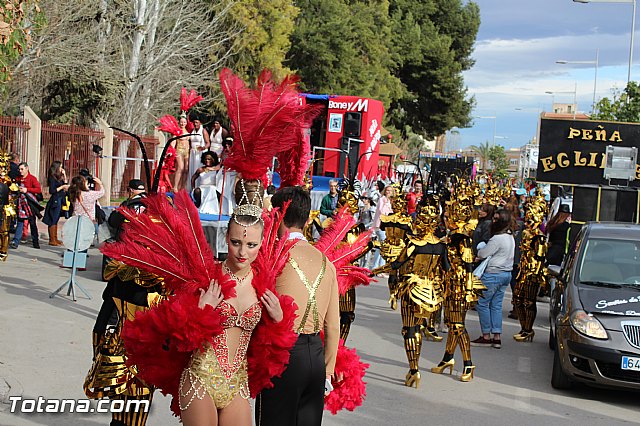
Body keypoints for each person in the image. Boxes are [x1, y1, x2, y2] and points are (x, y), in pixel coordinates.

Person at [256, 185, 340, 426]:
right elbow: (333, 326)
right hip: (315, 357)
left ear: (278, 215)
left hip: (282, 356)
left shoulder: (273, 255)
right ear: (305, 219)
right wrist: (328, 370)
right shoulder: (327, 263)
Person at [84, 178, 160, 426]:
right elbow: (105, 316)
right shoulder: (120, 271)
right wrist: (100, 346)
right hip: (119, 343)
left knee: (137, 408)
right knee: (120, 413)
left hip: (148, 349)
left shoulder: (163, 277)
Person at [471, 208, 515, 349]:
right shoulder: (510, 236)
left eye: (496, 219)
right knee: (496, 305)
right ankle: (496, 336)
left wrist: (479, 252)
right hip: (506, 274)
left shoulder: (497, 238)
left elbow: (483, 253)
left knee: (482, 303)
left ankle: (486, 336)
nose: (493, 221)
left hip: (493, 274)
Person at [10, 162, 42, 249]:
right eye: (19, 169)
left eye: (22, 169)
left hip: (29, 204)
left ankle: (35, 242)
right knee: (20, 222)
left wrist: (27, 189)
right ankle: (16, 241)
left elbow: (38, 190)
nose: (20, 171)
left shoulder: (32, 178)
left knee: (32, 223)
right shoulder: (18, 179)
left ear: (27, 168)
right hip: (20, 203)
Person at [42, 161, 69, 246]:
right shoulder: (52, 178)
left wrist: (64, 175)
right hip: (55, 200)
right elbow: (52, 190)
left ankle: (55, 237)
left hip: (60, 198)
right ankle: (52, 239)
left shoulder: (59, 177)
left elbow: (65, 184)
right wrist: (62, 187)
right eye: (60, 167)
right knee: (53, 219)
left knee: (56, 218)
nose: (62, 169)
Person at [370, 185, 394, 270]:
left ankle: (376, 266)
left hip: (387, 226)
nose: (388, 192)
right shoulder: (382, 199)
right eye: (387, 190)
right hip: (380, 225)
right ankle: (379, 267)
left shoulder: (391, 201)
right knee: (383, 246)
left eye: (390, 191)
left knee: (381, 246)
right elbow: (381, 211)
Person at [188, 116, 211, 190]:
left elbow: (208, 143)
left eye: (197, 122)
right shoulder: (192, 130)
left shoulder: (203, 130)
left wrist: (203, 148)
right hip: (193, 153)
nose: (195, 124)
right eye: (194, 122)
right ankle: (192, 187)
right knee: (192, 169)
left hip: (200, 153)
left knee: (199, 169)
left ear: (200, 123)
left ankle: (199, 187)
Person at [172, 116, 191, 191]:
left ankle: (183, 186)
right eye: (181, 122)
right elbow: (173, 142)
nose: (182, 123)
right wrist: (171, 151)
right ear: (179, 123)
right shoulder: (177, 132)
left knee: (186, 169)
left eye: (184, 122)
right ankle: (175, 186)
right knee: (180, 168)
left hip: (187, 151)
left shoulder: (188, 132)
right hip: (179, 150)